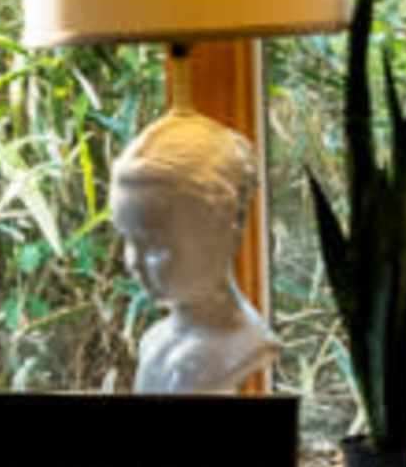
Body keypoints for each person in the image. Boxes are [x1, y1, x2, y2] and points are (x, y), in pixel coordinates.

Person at [108, 108, 280, 395]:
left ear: (226, 228)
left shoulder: (240, 349)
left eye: (155, 244)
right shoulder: (154, 341)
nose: (134, 262)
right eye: (129, 240)